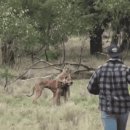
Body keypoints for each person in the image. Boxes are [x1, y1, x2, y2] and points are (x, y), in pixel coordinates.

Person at [87, 44, 130, 130]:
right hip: (123, 108)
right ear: (120, 54)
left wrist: (101, 91)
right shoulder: (126, 69)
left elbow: (90, 88)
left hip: (107, 108)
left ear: (108, 55)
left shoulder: (100, 69)